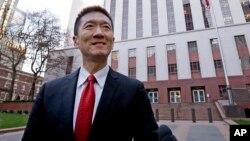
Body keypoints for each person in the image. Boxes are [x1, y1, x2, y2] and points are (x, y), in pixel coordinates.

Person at [21, 5, 158, 141]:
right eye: (89, 26)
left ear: (112, 41)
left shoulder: (133, 91)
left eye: (106, 27)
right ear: (76, 41)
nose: (99, 33)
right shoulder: (49, 91)